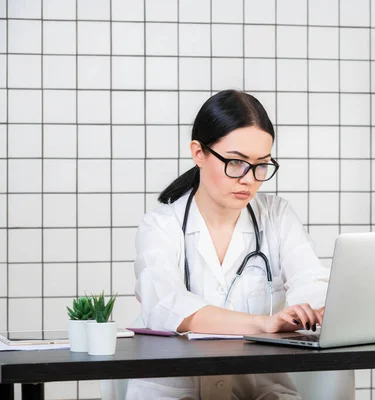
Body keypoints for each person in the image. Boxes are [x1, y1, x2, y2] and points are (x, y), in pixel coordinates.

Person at [126, 90, 331, 400]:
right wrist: (264, 324)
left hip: (261, 392)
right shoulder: (160, 226)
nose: (249, 179)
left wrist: (313, 310)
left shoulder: (276, 216)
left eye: (261, 165)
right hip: (176, 392)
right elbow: (166, 306)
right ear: (198, 153)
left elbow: (311, 282)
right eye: (236, 163)